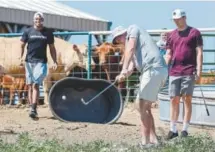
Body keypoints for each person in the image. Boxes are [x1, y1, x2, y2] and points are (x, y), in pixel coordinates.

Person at [113, 25, 168, 147]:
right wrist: (125, 74)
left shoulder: (133, 29)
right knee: (145, 107)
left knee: (141, 105)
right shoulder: (136, 50)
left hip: (153, 68)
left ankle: (145, 143)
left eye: (118, 38)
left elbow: (130, 48)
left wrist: (123, 69)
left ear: (124, 34)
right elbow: (131, 68)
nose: (119, 41)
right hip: (155, 70)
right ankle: (154, 141)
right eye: (116, 41)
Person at [165, 9, 203, 139]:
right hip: (174, 71)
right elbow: (168, 53)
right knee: (173, 100)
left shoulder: (195, 33)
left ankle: (185, 129)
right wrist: (164, 66)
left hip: (189, 70)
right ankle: (173, 129)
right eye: (175, 20)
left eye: (178, 19)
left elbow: (199, 52)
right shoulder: (171, 35)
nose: (176, 21)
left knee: (187, 99)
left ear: (184, 18)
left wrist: (199, 70)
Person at [19, 12, 58, 119]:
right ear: (33, 20)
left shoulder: (48, 33)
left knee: (36, 84)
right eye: (36, 19)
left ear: (42, 20)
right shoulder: (28, 31)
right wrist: (21, 58)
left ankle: (33, 108)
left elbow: (52, 48)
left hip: (41, 62)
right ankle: (31, 107)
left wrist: (54, 61)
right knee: (30, 85)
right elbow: (22, 45)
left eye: (40, 19)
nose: (38, 21)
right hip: (29, 61)